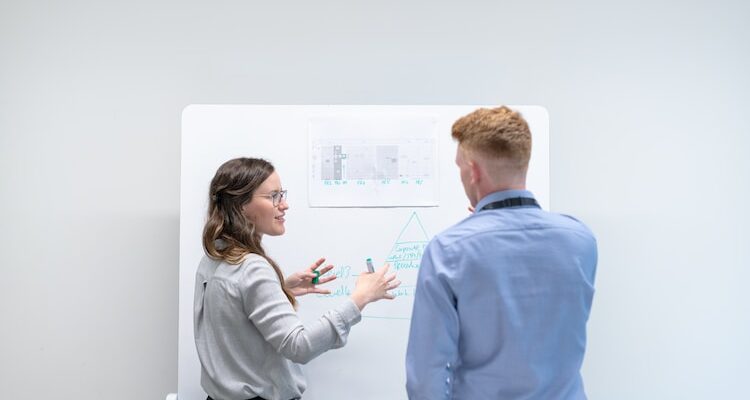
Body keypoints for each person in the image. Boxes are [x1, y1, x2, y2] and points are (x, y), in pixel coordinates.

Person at [405, 106, 598, 399]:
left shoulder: (448, 251)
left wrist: (476, 232)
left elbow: (425, 379)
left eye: (460, 168)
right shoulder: (580, 240)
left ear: (473, 171)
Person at [194, 157, 400, 400]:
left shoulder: (215, 256)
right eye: (273, 196)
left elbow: (233, 312)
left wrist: (282, 288)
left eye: (283, 194)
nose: (284, 205)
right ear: (241, 206)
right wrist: (359, 300)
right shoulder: (252, 269)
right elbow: (299, 346)